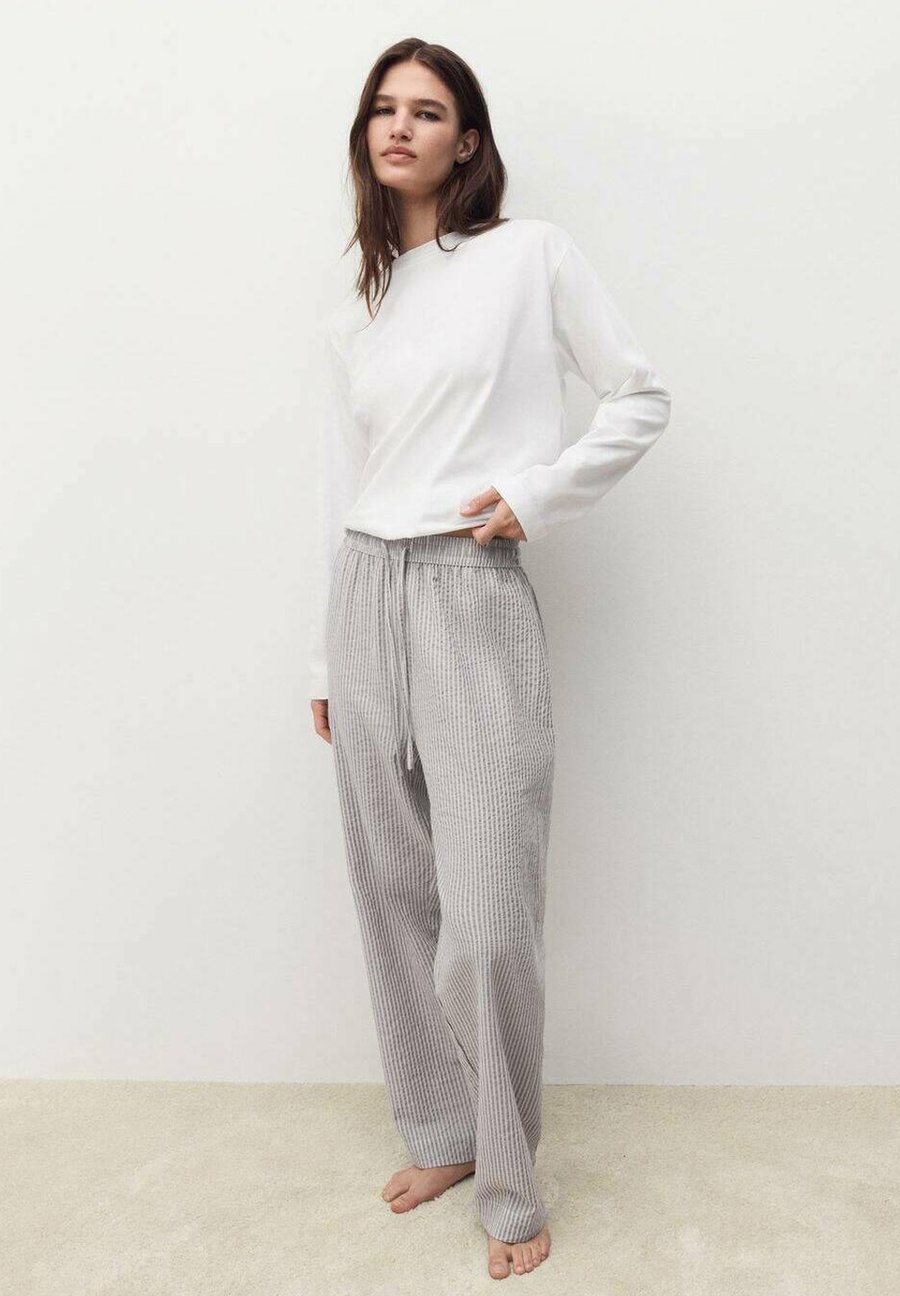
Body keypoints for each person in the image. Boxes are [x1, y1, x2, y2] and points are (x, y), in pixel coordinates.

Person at [308, 37, 672, 1282]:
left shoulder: (530, 257)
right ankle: (446, 1131)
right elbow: (348, 482)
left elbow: (639, 396)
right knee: (393, 892)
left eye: (428, 111)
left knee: (488, 916)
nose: (399, 127)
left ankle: (513, 1180)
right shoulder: (359, 299)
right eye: (383, 108)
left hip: (471, 588)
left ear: (468, 139)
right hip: (366, 594)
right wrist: (324, 660)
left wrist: (534, 494)